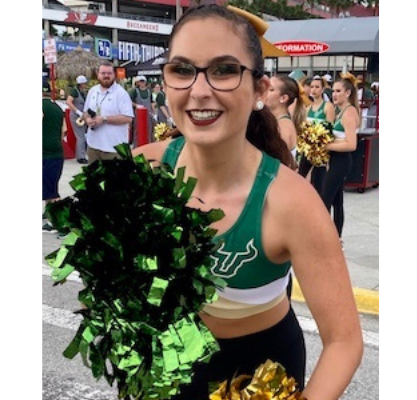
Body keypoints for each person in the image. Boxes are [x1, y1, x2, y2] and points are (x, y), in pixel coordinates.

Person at [133, 5, 362, 400]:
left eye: (224, 70)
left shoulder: (291, 202)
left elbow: (344, 342)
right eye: (182, 70)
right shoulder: (141, 169)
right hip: (170, 363)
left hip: (261, 373)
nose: (199, 90)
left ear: (259, 90)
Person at [321, 73, 361, 238]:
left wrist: (326, 145)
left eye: (338, 91)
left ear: (348, 93)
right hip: (335, 159)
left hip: (342, 161)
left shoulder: (349, 113)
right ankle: (336, 237)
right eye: (333, 91)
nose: (334, 94)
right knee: (337, 202)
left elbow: (352, 144)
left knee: (324, 200)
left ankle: (325, 237)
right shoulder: (340, 111)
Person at [83, 61, 134, 162]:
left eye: (109, 73)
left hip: (114, 149)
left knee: (113, 178)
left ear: (114, 75)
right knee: (93, 178)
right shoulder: (92, 91)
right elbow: (85, 112)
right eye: (103, 73)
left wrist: (104, 119)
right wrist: (87, 119)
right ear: (98, 74)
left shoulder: (121, 94)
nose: (106, 76)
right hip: (93, 146)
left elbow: (128, 118)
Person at [299, 75, 335, 187]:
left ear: (322, 89)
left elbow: (329, 129)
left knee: (319, 181)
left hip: (321, 150)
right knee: (301, 175)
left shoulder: (328, 106)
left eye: (317, 87)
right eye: (312, 86)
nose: (313, 89)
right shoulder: (308, 108)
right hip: (308, 149)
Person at [42, 79, 67, 234]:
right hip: (57, 152)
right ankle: (49, 213)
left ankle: (62, 223)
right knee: (50, 185)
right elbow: (64, 130)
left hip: (44, 153)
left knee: (51, 192)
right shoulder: (57, 108)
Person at [262, 75, 302, 163]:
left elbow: (278, 163)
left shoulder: (283, 127)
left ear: (283, 98)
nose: (264, 92)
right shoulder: (275, 122)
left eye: (271, 89)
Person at [67, 75, 90, 164]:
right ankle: (81, 157)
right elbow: (68, 102)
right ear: (81, 84)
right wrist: (77, 111)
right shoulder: (74, 91)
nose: (86, 85)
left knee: (83, 135)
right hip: (76, 116)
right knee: (80, 137)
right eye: (84, 83)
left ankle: (82, 154)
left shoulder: (82, 92)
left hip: (82, 116)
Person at [129, 75, 154, 146]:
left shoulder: (149, 91)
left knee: (149, 130)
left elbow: (151, 102)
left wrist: (154, 113)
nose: (142, 83)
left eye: (143, 81)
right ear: (138, 83)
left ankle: (148, 146)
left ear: (145, 82)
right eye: (140, 81)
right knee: (138, 131)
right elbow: (128, 101)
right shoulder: (134, 91)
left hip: (148, 114)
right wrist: (136, 105)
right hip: (138, 114)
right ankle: (137, 147)